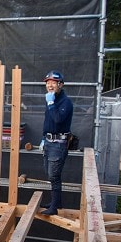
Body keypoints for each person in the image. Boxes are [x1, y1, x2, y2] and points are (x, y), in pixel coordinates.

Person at [40, 70, 73, 216]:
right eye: (48, 83)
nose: (50, 85)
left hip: (58, 143)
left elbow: (58, 119)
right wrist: (43, 137)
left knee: (54, 175)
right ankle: (56, 202)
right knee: (50, 174)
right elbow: (48, 121)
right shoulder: (51, 99)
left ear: (61, 84)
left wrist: (51, 102)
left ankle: (54, 207)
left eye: (54, 83)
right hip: (49, 142)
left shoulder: (65, 102)